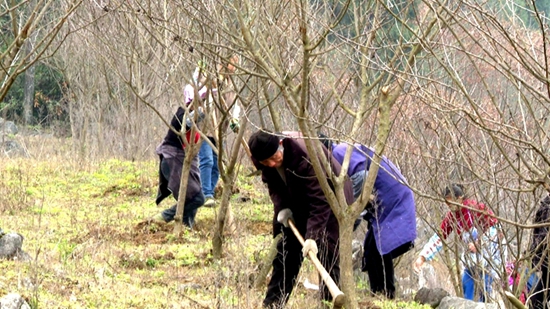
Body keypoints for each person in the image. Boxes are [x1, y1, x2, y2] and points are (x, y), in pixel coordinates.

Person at [247, 130, 353, 309]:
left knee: (327, 253)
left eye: (274, 157)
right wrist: (282, 208)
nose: (272, 164)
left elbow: (321, 200)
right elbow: (273, 185)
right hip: (298, 202)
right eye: (266, 162)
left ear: (280, 144)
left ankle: (329, 304)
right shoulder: (261, 158)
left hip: (333, 201)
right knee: (286, 254)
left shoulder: (304, 155)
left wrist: (312, 236)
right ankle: (273, 305)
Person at [329, 142, 417, 299]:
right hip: (384, 200)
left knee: (381, 247)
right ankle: (376, 294)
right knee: (370, 250)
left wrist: (350, 214)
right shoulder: (340, 153)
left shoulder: (340, 152)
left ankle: (386, 296)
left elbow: (360, 177)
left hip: (392, 198)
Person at [413, 184, 503, 302]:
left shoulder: (475, 208)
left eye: (451, 202)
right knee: (467, 290)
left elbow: (496, 229)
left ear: (460, 198)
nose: (449, 206)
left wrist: (479, 243)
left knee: (486, 294)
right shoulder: (452, 217)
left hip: (489, 260)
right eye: (447, 203)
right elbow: (439, 237)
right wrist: (422, 257)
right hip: (471, 262)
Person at [149, 82, 208, 228]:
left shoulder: (193, 120)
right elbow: (190, 120)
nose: (203, 104)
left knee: (192, 198)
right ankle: (164, 217)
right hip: (172, 162)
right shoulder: (182, 115)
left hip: (181, 162)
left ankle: (187, 227)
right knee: (197, 198)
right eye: (200, 101)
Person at [528, 192, 550, 309]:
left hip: (545, 257)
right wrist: (534, 252)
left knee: (538, 298)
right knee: (538, 299)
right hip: (545, 258)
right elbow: (540, 232)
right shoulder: (546, 204)